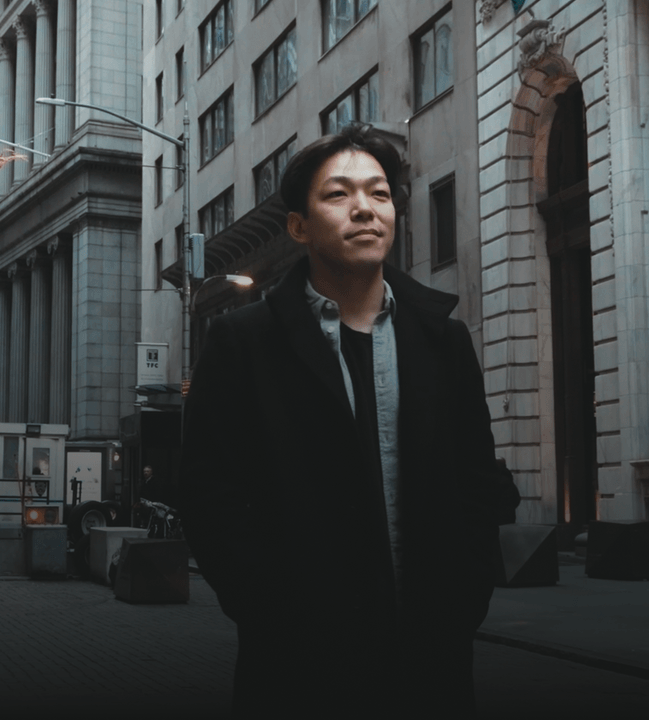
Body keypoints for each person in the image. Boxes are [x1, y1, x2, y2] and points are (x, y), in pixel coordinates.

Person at [181, 124, 502, 717]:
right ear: (299, 226)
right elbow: (208, 496)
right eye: (339, 195)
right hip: (296, 668)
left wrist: (465, 601)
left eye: (379, 194)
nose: (365, 210)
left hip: (431, 663)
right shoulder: (242, 343)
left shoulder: (444, 341)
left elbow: (478, 483)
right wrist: (264, 610)